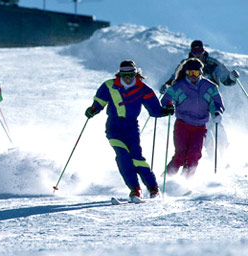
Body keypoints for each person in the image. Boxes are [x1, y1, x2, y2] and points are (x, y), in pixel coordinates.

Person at [85, 60, 173, 202]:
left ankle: (153, 188)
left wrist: (166, 111)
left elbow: (155, 110)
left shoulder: (142, 88)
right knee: (123, 156)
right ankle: (135, 190)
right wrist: (93, 110)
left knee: (136, 158)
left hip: (131, 126)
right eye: (124, 75)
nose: (127, 78)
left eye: (131, 74)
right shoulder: (109, 85)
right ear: (119, 74)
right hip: (114, 126)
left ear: (135, 74)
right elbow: (99, 102)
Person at [160, 39, 238, 156]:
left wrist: (231, 77)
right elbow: (174, 80)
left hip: (210, 99)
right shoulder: (186, 64)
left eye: (200, 50)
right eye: (195, 51)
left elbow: (226, 79)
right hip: (192, 102)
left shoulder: (212, 64)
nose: (198, 53)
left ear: (203, 50)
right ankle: (214, 156)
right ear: (191, 52)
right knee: (206, 130)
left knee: (216, 124)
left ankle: (224, 153)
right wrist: (167, 86)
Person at [161, 58, 224, 178]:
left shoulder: (210, 87)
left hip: (200, 127)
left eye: (196, 73)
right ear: (186, 73)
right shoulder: (179, 86)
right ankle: (166, 178)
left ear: (201, 72)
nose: (193, 76)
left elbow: (215, 102)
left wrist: (217, 112)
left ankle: (185, 181)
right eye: (190, 73)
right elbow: (168, 98)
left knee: (194, 155)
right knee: (180, 155)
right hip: (183, 125)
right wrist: (169, 106)